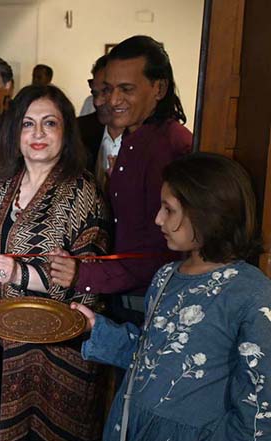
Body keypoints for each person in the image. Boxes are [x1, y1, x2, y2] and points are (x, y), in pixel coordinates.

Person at [74, 153, 271, 441]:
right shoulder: (166, 277)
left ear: (205, 213)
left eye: (169, 210)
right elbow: (152, 355)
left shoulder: (251, 293)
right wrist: (98, 331)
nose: (157, 219)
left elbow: (261, 401)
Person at [0, 85, 110, 441]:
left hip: (58, 355)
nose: (37, 133)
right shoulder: (4, 183)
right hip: (6, 346)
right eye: (28, 123)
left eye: (50, 123)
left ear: (66, 132)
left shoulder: (81, 191)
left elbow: (88, 274)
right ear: (14, 132)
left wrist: (17, 270)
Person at [50, 35, 192, 328]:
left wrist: (83, 275)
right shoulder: (131, 138)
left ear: (159, 88)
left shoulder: (172, 147)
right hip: (117, 295)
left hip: (151, 303)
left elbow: (163, 249)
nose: (113, 100)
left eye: (126, 89)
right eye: (108, 89)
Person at [77, 55, 125, 188]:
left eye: (106, 91)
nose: (97, 102)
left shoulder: (145, 140)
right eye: (95, 94)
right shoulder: (79, 131)